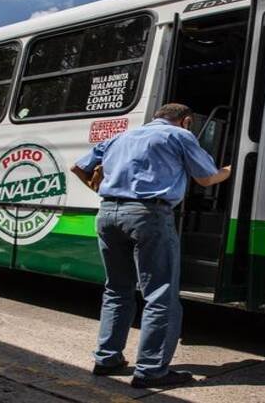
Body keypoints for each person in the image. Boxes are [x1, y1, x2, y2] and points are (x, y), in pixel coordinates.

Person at [71, 103, 232, 388]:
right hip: (149, 215)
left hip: (107, 214)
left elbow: (77, 167)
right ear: (186, 121)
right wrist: (229, 170)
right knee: (160, 294)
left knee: (117, 289)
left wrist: (99, 189)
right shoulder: (179, 136)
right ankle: (151, 371)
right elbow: (206, 177)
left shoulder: (121, 137)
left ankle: (107, 359)